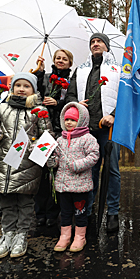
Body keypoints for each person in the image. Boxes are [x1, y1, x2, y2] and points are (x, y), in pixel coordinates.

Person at [0, 72, 53, 259]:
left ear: (33, 90)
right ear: (12, 88)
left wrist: (37, 144)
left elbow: (47, 136)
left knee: (25, 202)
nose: (21, 88)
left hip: (27, 164)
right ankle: (7, 235)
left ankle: (22, 235)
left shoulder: (38, 111)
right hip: (3, 163)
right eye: (18, 85)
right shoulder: (1, 108)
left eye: (26, 86)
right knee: (6, 202)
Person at [65, 32, 121, 232]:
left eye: (100, 41)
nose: (96, 44)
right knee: (89, 171)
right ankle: (87, 211)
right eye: (93, 42)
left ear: (107, 46)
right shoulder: (80, 70)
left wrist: (113, 114)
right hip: (85, 128)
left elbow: (123, 95)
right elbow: (70, 94)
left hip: (109, 128)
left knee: (112, 170)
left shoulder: (117, 69)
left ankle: (113, 212)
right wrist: (74, 103)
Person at [47, 102, 99, 252]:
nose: (69, 122)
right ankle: (65, 236)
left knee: (80, 212)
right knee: (65, 212)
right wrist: (52, 162)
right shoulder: (60, 140)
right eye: (67, 119)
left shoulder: (87, 139)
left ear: (81, 121)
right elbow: (56, 157)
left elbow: (94, 156)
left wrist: (78, 165)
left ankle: (80, 237)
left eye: (73, 120)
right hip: (63, 185)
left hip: (80, 184)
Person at [34, 49, 73, 228]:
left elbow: (73, 103)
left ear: (70, 63)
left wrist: (58, 104)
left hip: (60, 131)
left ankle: (53, 212)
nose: (60, 61)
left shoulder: (72, 82)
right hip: (42, 131)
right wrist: (38, 71)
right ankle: (39, 212)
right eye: (58, 58)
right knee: (41, 173)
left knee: (56, 173)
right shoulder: (45, 77)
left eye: (64, 59)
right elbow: (34, 93)